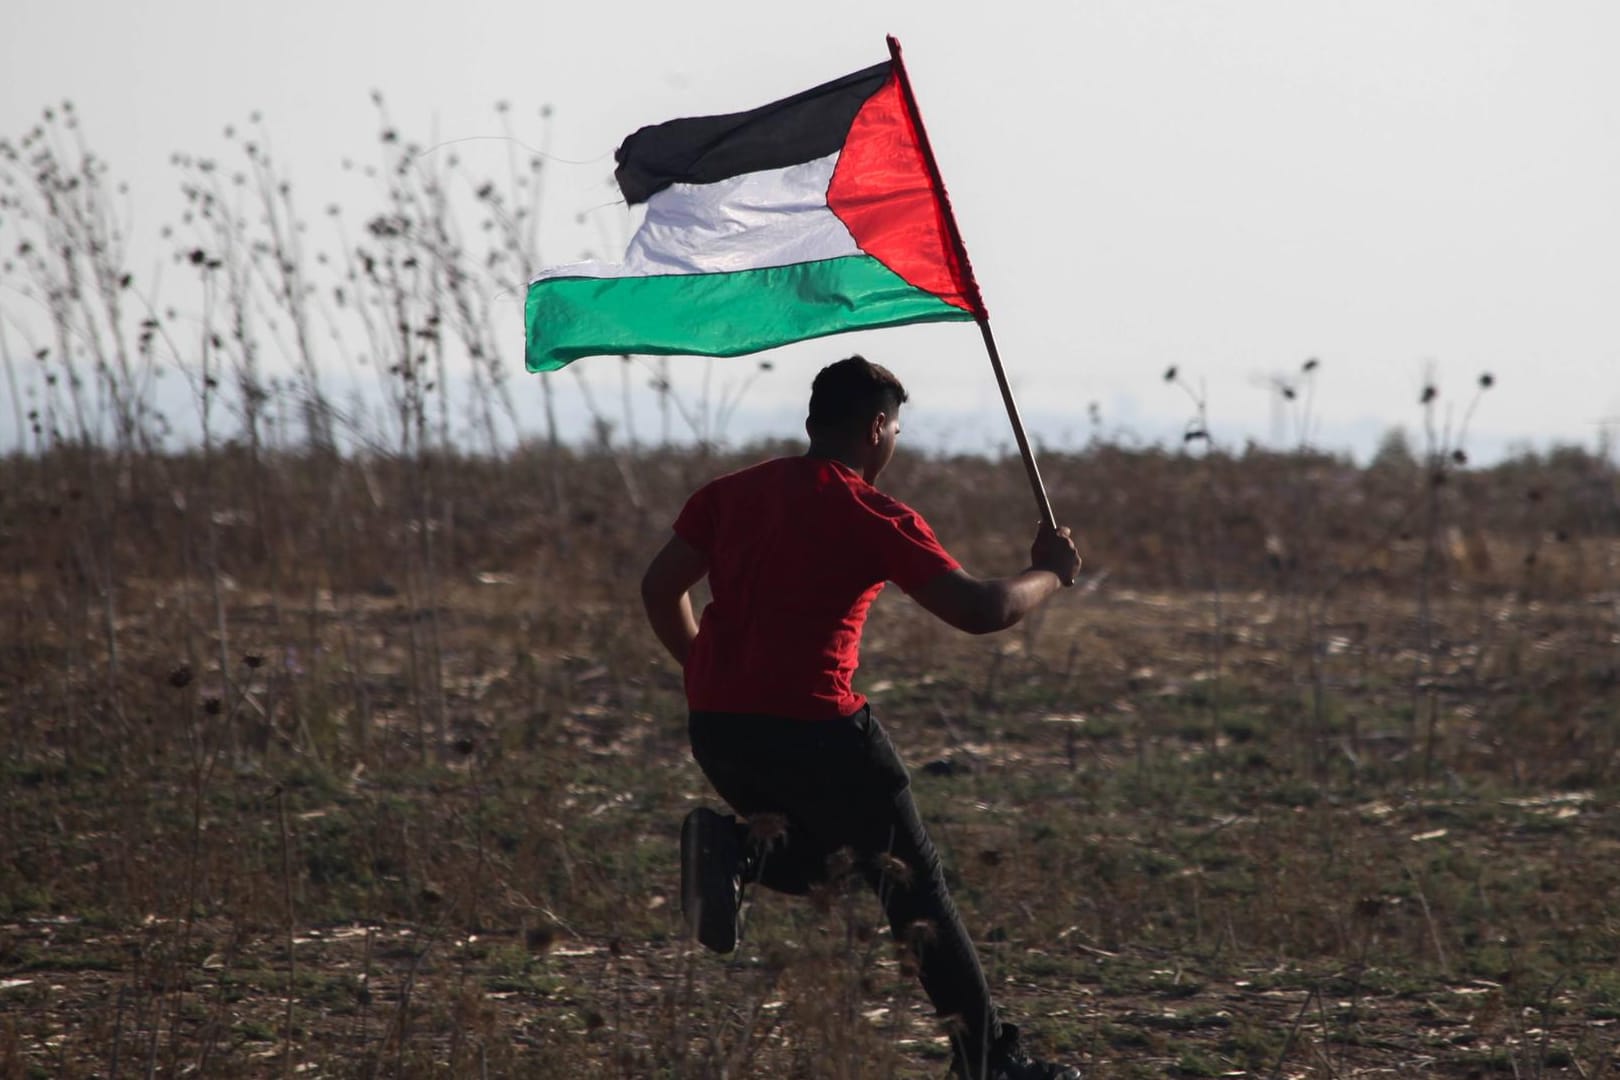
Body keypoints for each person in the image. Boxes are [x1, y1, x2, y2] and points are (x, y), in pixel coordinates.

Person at [640, 355, 1084, 1080]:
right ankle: (989, 1062)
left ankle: (735, 848)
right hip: (818, 729)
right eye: (897, 428)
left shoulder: (729, 494)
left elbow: (660, 588)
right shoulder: (869, 512)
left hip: (718, 727)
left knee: (847, 865)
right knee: (915, 883)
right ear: (878, 427)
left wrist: (700, 669)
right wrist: (1051, 574)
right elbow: (979, 611)